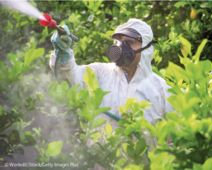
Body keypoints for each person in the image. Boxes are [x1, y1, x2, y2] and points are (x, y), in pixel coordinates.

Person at [49, 18, 174, 169]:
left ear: (147, 47)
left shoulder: (162, 90)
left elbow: (176, 142)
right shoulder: (100, 73)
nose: (122, 46)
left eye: (131, 41)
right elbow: (72, 78)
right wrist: (64, 54)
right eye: (120, 40)